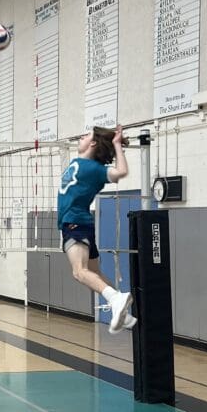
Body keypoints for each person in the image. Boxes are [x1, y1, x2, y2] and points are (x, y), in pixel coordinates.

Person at [57, 124, 136, 334]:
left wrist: (117, 145)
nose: (80, 137)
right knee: (94, 272)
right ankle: (124, 313)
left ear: (92, 142)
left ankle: (116, 298)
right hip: (80, 223)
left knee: (79, 272)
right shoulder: (79, 162)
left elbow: (121, 171)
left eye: (85, 135)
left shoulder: (94, 169)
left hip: (75, 223)